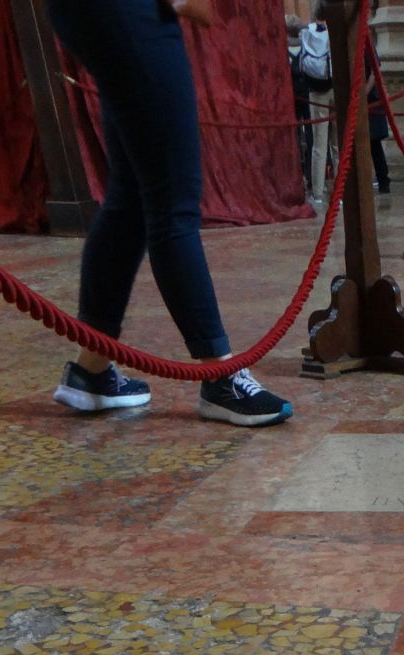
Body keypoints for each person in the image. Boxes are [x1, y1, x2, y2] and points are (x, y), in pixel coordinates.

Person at [45, 0, 291, 425]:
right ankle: (220, 375)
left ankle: (92, 368)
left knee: (132, 199)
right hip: (132, 12)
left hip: (90, 14)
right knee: (173, 201)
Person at [299, 7, 337, 205]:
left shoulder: (307, 32)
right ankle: (341, 191)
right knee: (338, 145)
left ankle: (318, 192)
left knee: (319, 146)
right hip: (337, 89)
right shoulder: (338, 30)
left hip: (316, 92)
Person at [285, 14, 313, 199]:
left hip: (292, 99)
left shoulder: (282, 47)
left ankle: (298, 176)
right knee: (311, 139)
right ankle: (311, 178)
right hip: (308, 96)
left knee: (294, 140)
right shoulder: (308, 44)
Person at [365, 59, 390, 197]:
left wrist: (364, 92)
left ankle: (383, 180)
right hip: (365, 98)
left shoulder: (368, 47)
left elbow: (375, 72)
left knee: (374, 143)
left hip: (371, 100)